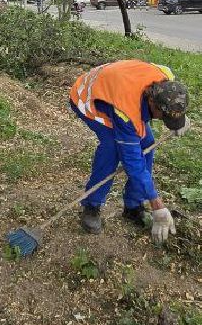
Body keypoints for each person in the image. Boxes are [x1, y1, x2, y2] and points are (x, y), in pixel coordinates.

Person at [69, 60, 189, 245]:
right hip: (88, 98)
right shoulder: (126, 111)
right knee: (111, 149)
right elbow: (132, 162)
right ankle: (91, 206)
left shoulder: (166, 79)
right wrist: (157, 204)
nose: (163, 121)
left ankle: (133, 205)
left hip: (117, 86)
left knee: (147, 143)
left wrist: (179, 118)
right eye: (163, 116)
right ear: (152, 102)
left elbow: (172, 102)